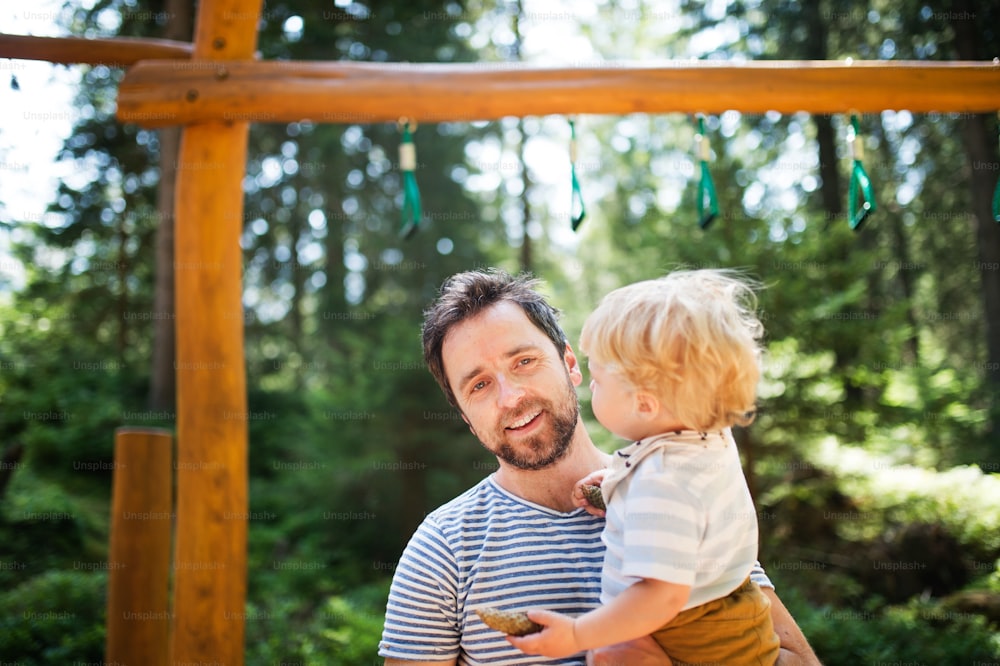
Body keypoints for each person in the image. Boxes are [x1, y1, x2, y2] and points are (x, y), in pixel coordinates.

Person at [378, 268, 821, 666]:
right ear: (465, 417)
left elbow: (789, 658)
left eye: (524, 361)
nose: (510, 397)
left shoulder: (679, 485)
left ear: (570, 363)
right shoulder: (441, 549)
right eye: (479, 384)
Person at [507, 270, 779, 664]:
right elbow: (690, 497)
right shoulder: (707, 439)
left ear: (646, 404)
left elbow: (660, 594)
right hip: (734, 613)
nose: (590, 386)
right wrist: (621, 484)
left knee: (609, 654)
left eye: (598, 378)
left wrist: (578, 633)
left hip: (687, 632)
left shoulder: (661, 481)